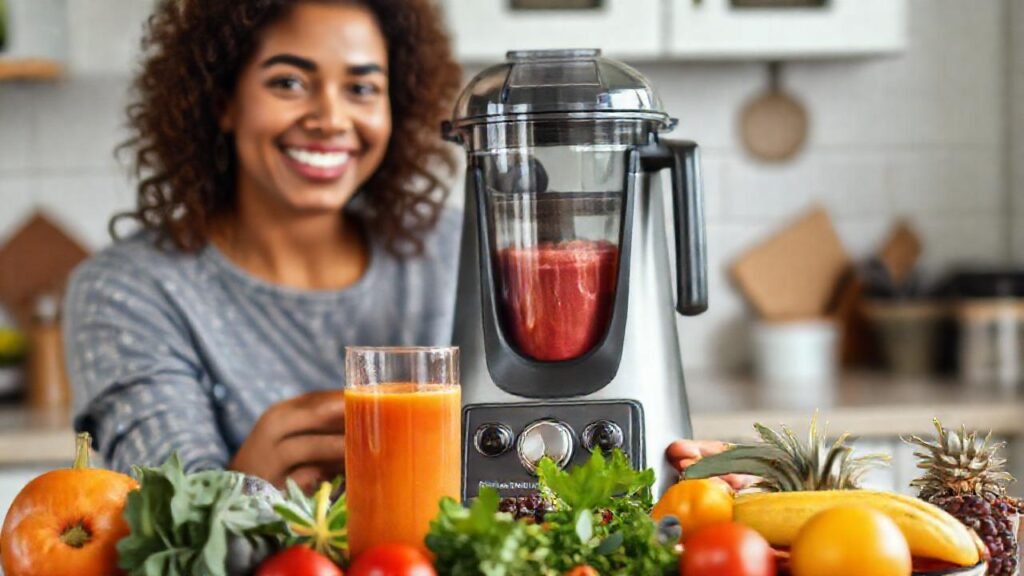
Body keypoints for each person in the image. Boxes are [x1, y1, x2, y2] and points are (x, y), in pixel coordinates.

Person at [64, 0, 736, 493]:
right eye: (288, 82)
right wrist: (242, 485)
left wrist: (694, 487)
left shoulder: (454, 251)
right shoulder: (130, 291)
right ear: (221, 100)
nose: (331, 117)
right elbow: (157, 515)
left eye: (362, 87)